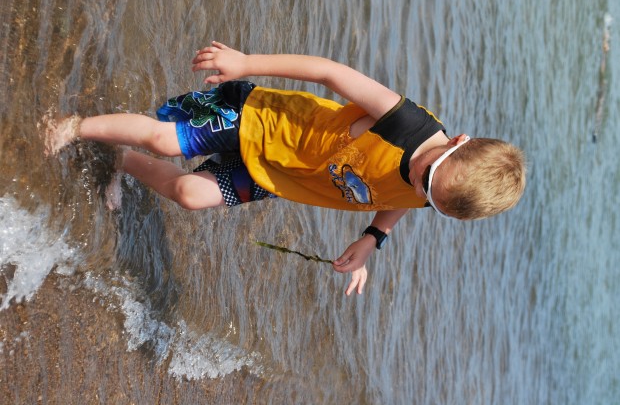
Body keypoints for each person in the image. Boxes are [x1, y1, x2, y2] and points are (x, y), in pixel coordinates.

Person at [46, 41, 526, 296]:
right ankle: (74, 125)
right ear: (457, 143)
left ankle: (121, 160)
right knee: (163, 138)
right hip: (263, 121)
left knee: (191, 195)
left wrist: (371, 240)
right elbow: (329, 72)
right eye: (427, 174)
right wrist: (245, 61)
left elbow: (399, 201)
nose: (419, 184)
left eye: (429, 195)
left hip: (280, 177)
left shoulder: (434, 189)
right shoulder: (408, 124)